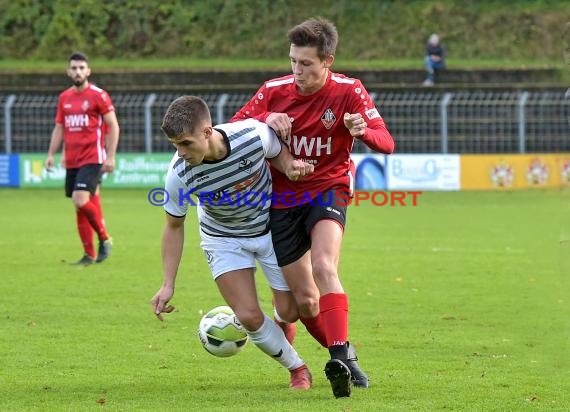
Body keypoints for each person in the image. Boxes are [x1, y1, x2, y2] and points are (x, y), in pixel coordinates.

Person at [231, 17, 395, 398]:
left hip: (328, 190)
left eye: (306, 64)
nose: (296, 71)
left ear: (328, 62)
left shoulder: (349, 91)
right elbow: (234, 128)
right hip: (282, 199)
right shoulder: (273, 91)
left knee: (324, 265)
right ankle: (340, 355)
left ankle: (338, 356)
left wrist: (362, 131)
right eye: (292, 61)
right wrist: (264, 118)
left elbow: (386, 142)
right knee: (298, 306)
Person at [150, 95, 315, 390]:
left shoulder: (252, 135)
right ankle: (298, 369)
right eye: (175, 145)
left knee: (290, 311)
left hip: (269, 230)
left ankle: (282, 323)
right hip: (223, 239)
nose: (181, 152)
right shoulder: (179, 172)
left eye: (186, 143)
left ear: (207, 131)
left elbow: (278, 152)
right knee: (249, 316)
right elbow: (174, 226)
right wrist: (167, 283)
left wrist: (290, 165)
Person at [45, 52, 119, 265]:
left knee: (80, 199)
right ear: (68, 71)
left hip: (93, 157)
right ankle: (89, 255)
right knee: (82, 204)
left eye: (81, 68)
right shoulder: (64, 98)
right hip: (73, 160)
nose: (77, 71)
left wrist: (110, 156)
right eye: (74, 68)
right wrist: (52, 154)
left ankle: (104, 237)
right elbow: (60, 128)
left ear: (88, 71)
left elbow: (113, 126)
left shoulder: (99, 95)